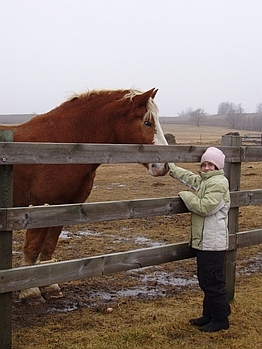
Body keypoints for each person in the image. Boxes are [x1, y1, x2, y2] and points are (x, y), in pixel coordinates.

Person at [168, 147, 231, 332]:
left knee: (212, 281)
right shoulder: (205, 181)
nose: (206, 168)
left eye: (210, 164)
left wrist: (185, 195)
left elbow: (204, 207)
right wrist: (170, 167)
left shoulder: (218, 183)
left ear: (218, 166)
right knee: (206, 279)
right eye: (203, 164)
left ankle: (221, 319)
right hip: (206, 242)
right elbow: (189, 177)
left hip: (213, 243)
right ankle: (209, 315)